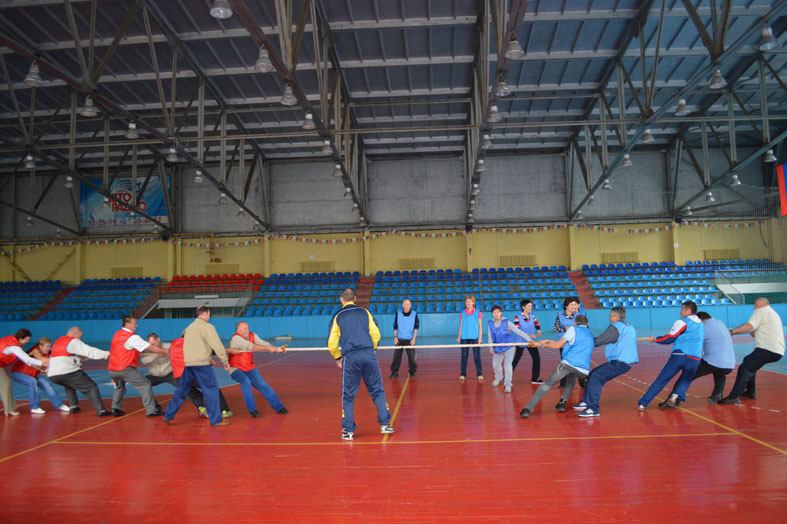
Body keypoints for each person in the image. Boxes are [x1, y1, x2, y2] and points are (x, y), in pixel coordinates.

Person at [328, 288, 393, 441]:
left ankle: (348, 430)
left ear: (341, 300)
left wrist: (337, 357)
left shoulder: (338, 316)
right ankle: (385, 424)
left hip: (350, 358)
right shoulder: (365, 312)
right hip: (368, 355)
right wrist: (373, 349)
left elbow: (332, 342)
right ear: (355, 298)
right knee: (377, 390)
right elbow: (376, 333)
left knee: (348, 395)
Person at [163, 306, 231, 427]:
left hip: (188, 365)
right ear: (205, 314)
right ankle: (215, 420)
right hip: (202, 365)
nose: (209, 317)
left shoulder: (189, 328)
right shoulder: (208, 327)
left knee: (181, 390)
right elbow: (216, 345)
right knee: (211, 390)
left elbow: (193, 347)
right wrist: (225, 361)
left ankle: (168, 415)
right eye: (209, 314)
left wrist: (208, 358)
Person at [141, 333, 233, 418]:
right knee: (143, 384)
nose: (152, 347)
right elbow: (144, 360)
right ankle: (155, 409)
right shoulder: (149, 349)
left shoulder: (171, 346)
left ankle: (218, 408)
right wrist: (159, 352)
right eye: (151, 345)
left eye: (154, 344)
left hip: (171, 373)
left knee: (192, 387)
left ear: (158, 339)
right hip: (155, 375)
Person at [520, 315, 594, 418]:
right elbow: (565, 344)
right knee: (571, 378)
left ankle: (527, 409)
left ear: (575, 323)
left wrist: (540, 345)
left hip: (568, 364)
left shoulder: (573, 329)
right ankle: (562, 403)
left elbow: (557, 345)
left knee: (547, 384)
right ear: (586, 324)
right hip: (583, 370)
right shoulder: (589, 334)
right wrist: (545, 341)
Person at [637, 301, 704, 410]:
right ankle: (675, 395)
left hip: (680, 355)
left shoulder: (682, 322)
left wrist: (654, 339)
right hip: (695, 359)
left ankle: (643, 403)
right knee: (686, 379)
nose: (680, 312)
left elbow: (669, 338)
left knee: (662, 379)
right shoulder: (701, 324)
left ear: (688, 310)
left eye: (682, 309)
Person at [573, 307, 638, 417]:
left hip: (620, 362)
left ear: (617, 317)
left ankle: (593, 408)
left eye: (611, 316)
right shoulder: (629, 326)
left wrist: (582, 343)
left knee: (596, 377)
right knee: (593, 373)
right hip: (624, 361)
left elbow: (599, 341)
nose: (609, 318)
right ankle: (586, 402)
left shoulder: (615, 327)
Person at [661, 312, 735, 406]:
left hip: (713, 361)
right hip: (729, 364)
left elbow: (692, 342)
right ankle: (717, 394)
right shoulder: (719, 322)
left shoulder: (703, 327)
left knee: (687, 376)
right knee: (719, 371)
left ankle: (673, 400)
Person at [720, 297, 784, 404]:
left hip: (767, 349)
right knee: (748, 361)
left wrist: (732, 331)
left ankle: (733, 397)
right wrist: (733, 333)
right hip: (776, 350)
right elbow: (752, 331)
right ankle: (750, 391)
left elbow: (749, 326)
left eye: (755, 304)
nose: (754, 307)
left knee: (745, 367)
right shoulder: (772, 313)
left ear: (762, 304)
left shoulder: (761, 311)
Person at [108, 315, 170, 417]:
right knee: (145, 384)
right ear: (127, 325)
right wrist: (168, 352)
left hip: (112, 369)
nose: (136, 325)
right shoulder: (132, 337)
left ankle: (115, 408)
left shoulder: (117, 334)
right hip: (125, 368)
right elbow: (152, 348)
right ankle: (152, 410)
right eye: (134, 323)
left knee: (119, 387)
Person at [47, 326, 112, 416]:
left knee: (69, 385)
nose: (79, 339)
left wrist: (80, 358)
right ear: (76, 334)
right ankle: (101, 411)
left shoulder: (58, 341)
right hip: (67, 372)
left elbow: (64, 355)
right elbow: (89, 351)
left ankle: (73, 406)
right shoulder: (73, 340)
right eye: (79, 337)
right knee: (91, 387)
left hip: (53, 375)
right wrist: (107, 355)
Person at [227, 321, 287, 418]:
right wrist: (268, 349)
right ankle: (252, 409)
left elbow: (263, 343)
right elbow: (253, 347)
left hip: (249, 367)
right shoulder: (236, 339)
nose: (248, 330)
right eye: (245, 328)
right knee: (245, 381)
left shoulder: (252, 335)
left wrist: (276, 348)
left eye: (248, 328)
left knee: (263, 385)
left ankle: (279, 407)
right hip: (236, 368)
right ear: (238, 329)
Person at [10, 337, 70, 414]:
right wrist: (62, 361)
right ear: (40, 346)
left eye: (50, 346)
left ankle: (60, 405)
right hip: (18, 373)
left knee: (47, 385)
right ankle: (34, 407)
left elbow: (46, 364)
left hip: (32, 374)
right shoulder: (35, 350)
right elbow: (41, 359)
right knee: (32, 382)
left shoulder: (47, 353)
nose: (49, 348)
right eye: (47, 346)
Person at [487, 305, 533, 393]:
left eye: (497, 312)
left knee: (507, 366)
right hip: (497, 347)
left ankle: (507, 384)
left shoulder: (506, 322)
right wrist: (490, 347)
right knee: (495, 365)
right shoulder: (490, 323)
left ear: (501, 313)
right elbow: (490, 336)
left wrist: (529, 339)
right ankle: (499, 376)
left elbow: (518, 331)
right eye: (494, 312)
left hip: (509, 346)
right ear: (492, 314)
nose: (496, 314)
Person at [0, 328, 43, 416]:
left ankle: (9, 408)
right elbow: (27, 358)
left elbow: (24, 358)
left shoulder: (13, 340)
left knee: (5, 384)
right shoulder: (14, 347)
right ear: (20, 339)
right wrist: (43, 363)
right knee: (5, 384)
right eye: (27, 339)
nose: (28, 341)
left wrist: (33, 365)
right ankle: (9, 409)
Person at [554, 297, 584, 388]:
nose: (574, 306)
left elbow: (584, 328)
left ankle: (582, 382)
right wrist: (565, 329)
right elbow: (556, 328)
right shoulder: (560, 315)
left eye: (575, 304)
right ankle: (563, 383)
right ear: (566, 306)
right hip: (563, 342)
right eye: (571, 304)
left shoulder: (579, 315)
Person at [512, 299, 543, 384]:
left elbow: (536, 323)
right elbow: (517, 330)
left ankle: (535, 379)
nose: (530, 307)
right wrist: (529, 335)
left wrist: (539, 330)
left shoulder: (532, 315)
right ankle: (506, 378)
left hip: (530, 341)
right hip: (520, 341)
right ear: (523, 307)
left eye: (531, 306)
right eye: (529, 306)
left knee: (536, 358)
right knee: (515, 360)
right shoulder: (517, 317)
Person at [390, 299, 419, 379]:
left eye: (409, 304)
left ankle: (412, 372)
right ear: (403, 305)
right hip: (399, 339)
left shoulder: (414, 314)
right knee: (396, 357)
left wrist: (414, 339)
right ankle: (394, 372)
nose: (408, 306)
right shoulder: (398, 314)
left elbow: (416, 327)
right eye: (406, 304)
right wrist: (395, 337)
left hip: (409, 340)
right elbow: (395, 326)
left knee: (412, 358)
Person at [457, 295, 483, 381]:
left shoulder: (478, 312)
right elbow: (461, 325)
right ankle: (463, 374)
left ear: (473, 302)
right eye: (467, 301)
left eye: (470, 301)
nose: (468, 303)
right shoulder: (462, 313)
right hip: (464, 337)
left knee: (476, 356)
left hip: (475, 337)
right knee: (464, 356)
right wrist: (459, 336)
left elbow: (480, 326)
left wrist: (480, 337)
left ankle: (479, 373)